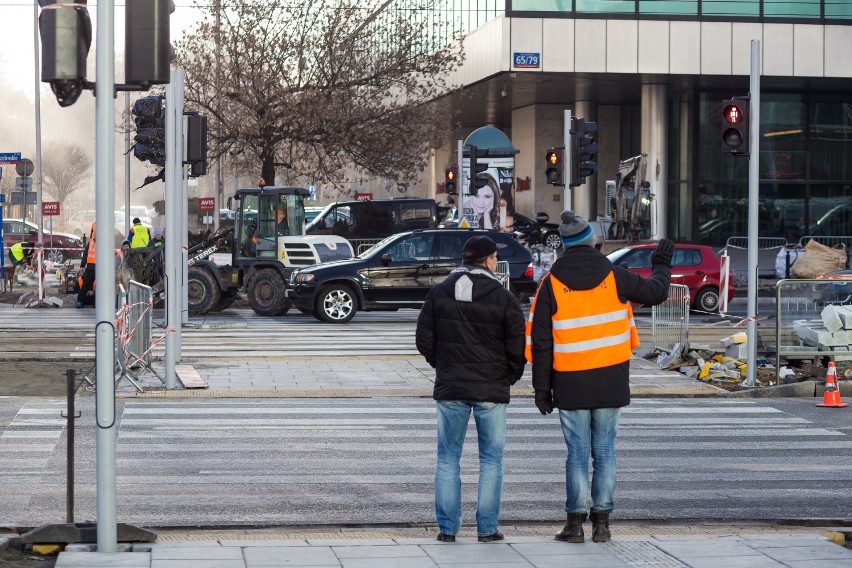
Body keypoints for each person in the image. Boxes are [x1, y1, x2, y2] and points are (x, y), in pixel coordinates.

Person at [525, 210, 673, 544]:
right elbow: (657, 293)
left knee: (576, 454)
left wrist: (540, 390)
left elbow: (541, 341)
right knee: (605, 452)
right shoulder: (615, 276)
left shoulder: (551, 284)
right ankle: (602, 524)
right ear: (591, 241)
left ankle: (574, 524)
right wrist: (661, 262)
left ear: (563, 245)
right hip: (610, 380)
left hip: (570, 383)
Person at [415, 235, 527, 544]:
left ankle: (448, 529)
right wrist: (509, 375)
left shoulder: (439, 293)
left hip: (451, 387)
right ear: (490, 260)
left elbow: (423, 338)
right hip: (492, 388)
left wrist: (444, 365)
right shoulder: (503, 297)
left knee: (448, 458)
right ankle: (487, 528)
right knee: (491, 460)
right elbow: (518, 344)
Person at [77, 222, 97, 308]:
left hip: (90, 266)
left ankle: (80, 301)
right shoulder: (104, 239)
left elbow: (86, 253)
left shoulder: (91, 240)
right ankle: (96, 303)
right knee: (99, 286)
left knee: (86, 284)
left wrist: (82, 265)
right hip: (99, 266)